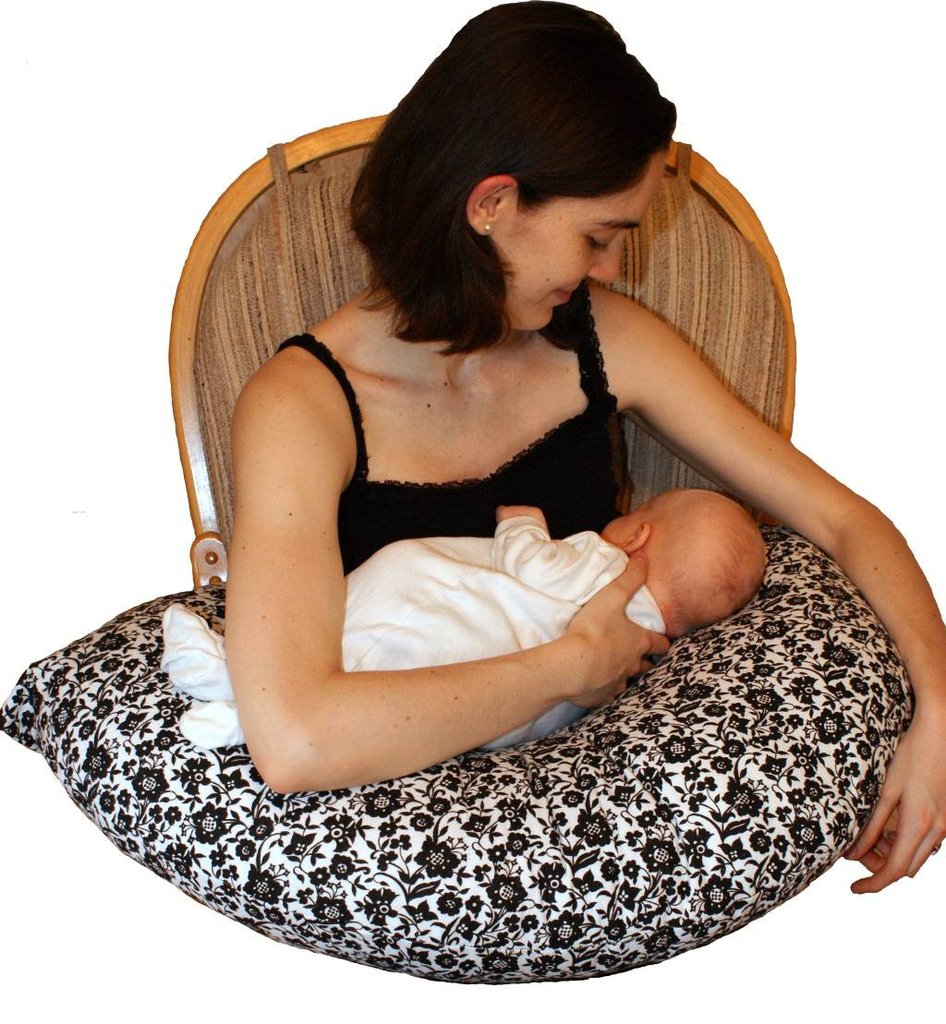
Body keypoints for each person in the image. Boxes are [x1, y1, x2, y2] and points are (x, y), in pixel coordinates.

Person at [223, 1, 946, 896]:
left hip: (603, 804)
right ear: (493, 204)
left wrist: (937, 714)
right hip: (415, 831)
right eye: (597, 237)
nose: (609, 270)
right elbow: (295, 739)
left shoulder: (601, 339)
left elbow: (841, 520)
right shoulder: (302, 405)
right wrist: (567, 668)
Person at [164, 488, 767, 750]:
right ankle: (242, 713)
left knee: (382, 606)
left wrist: (522, 522)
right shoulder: (642, 646)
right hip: (503, 717)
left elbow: (532, 565)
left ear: (638, 533)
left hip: (452, 633)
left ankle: (240, 683)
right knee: (374, 671)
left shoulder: (606, 561)